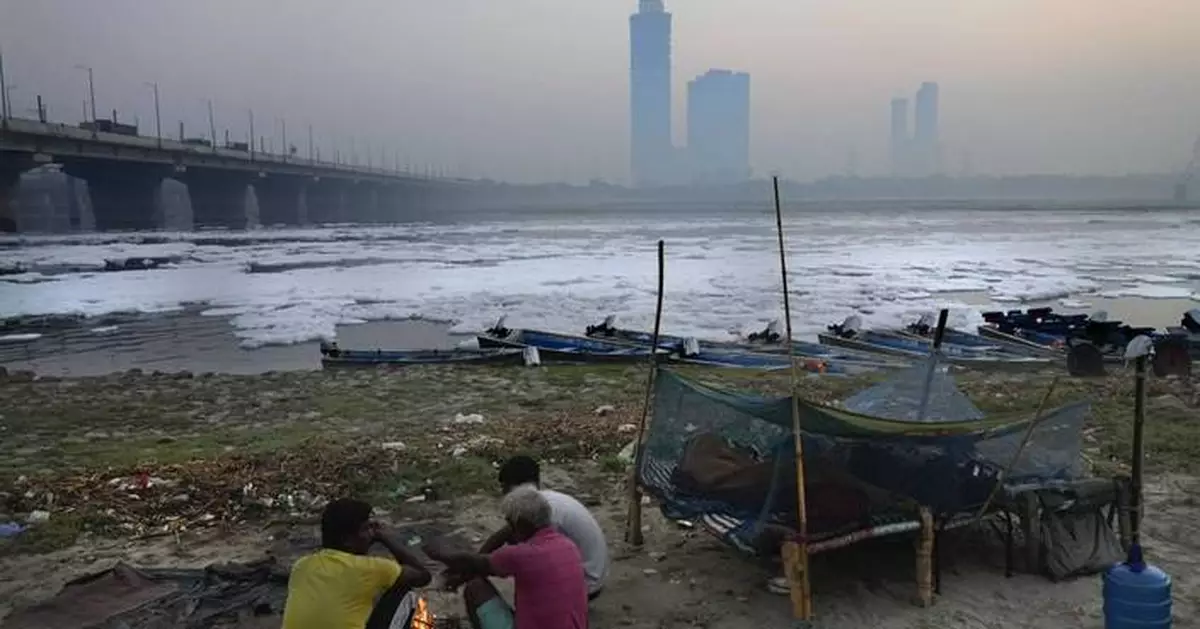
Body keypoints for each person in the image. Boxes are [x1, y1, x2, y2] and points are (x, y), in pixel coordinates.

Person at [425, 486, 588, 629]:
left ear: (522, 524)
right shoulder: (568, 546)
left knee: (476, 588)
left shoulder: (522, 554)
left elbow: (476, 563)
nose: (509, 531)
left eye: (511, 524)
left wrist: (441, 553)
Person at [281, 498, 431, 629]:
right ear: (347, 540)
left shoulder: (301, 566)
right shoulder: (369, 569)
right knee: (406, 593)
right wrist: (384, 537)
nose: (370, 534)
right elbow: (423, 575)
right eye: (366, 529)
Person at [480, 456, 608, 599]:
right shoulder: (545, 501)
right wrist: (479, 558)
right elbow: (505, 533)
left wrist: (479, 565)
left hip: (588, 583)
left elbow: (521, 552)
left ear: (509, 488)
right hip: (595, 573)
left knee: (526, 565)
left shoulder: (543, 511)